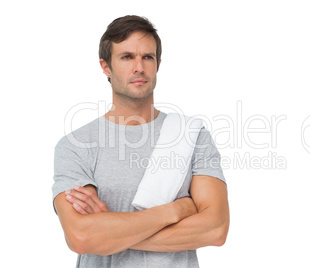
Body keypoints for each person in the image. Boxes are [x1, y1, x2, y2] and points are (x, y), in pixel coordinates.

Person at [52, 15, 229, 267]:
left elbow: (215, 230)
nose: (139, 67)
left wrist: (110, 229)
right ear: (105, 66)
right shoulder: (76, 145)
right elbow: (81, 236)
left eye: (148, 57)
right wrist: (174, 211)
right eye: (126, 57)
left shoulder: (191, 135)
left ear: (158, 63)